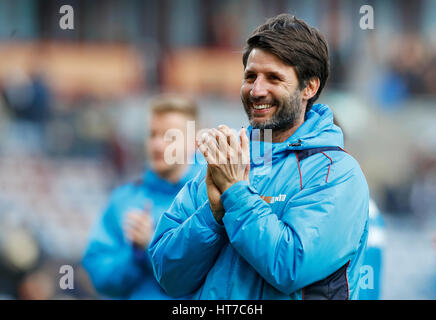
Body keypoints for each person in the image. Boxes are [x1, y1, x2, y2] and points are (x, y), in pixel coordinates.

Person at [149, 14, 369, 300]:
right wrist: (211, 217)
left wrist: (235, 194)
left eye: (274, 78)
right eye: (250, 76)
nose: (256, 90)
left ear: (309, 87)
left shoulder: (336, 173)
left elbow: (290, 266)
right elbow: (167, 275)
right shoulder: (221, 161)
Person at [82, 94, 201, 299]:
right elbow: (99, 276)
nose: (157, 145)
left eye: (169, 136)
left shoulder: (210, 200)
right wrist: (135, 255)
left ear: (195, 143)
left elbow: (202, 276)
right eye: (152, 134)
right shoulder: (124, 199)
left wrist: (151, 245)